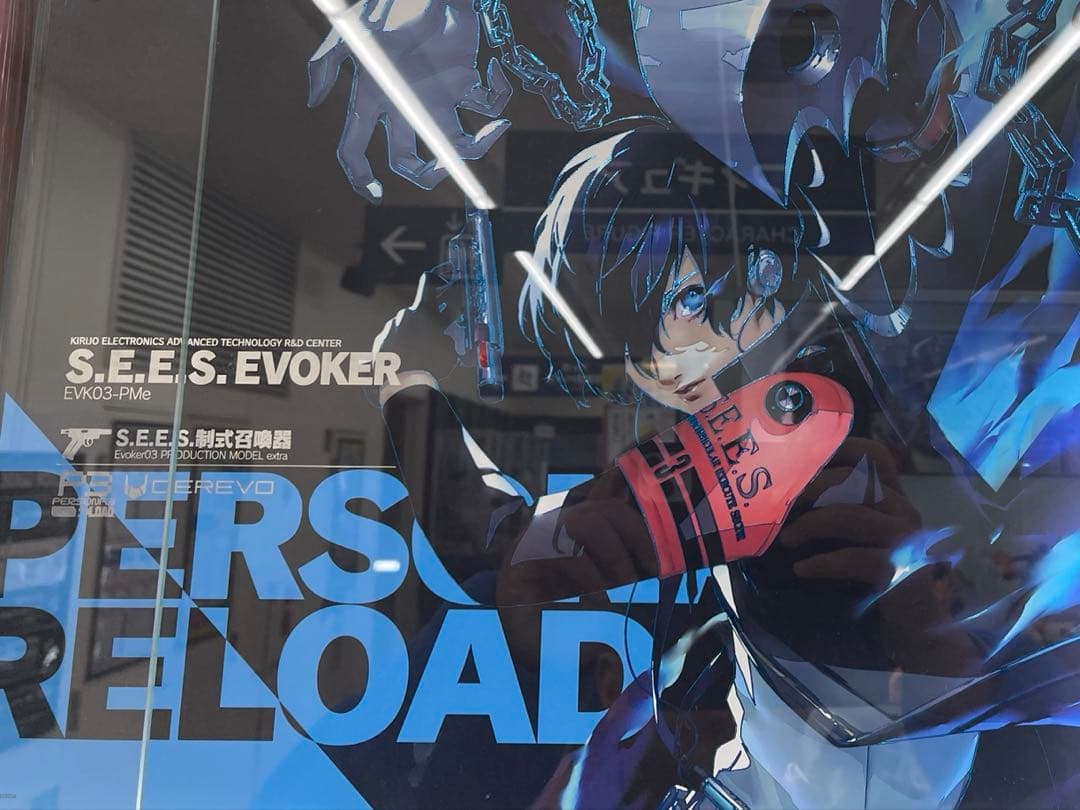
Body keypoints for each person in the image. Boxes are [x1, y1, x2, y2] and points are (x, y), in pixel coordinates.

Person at [373, 128, 1080, 808]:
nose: (666, 364)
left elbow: (504, 543)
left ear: (762, 265)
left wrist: (407, 385)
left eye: (687, 301)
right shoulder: (788, 411)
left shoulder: (816, 408)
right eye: (632, 342)